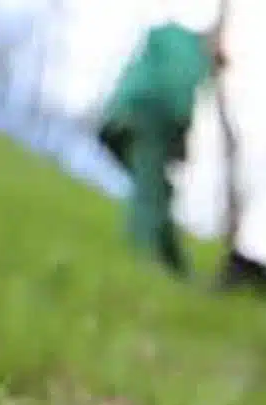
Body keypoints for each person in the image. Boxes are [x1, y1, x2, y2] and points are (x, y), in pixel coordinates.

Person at [96, 22, 222, 277]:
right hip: (147, 116)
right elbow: (178, 94)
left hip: (127, 116)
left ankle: (175, 267)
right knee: (152, 193)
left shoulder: (176, 42)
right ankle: (142, 257)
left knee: (158, 190)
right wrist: (181, 136)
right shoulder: (189, 50)